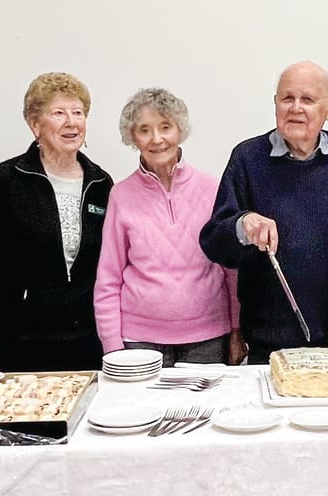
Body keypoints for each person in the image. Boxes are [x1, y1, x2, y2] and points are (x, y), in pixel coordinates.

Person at [200, 61, 328, 364]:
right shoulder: (247, 157)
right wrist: (243, 224)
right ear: (275, 103)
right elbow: (214, 241)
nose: (296, 108)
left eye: (307, 100)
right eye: (287, 98)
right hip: (264, 342)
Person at [0, 73, 112, 373]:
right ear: (35, 124)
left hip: (88, 342)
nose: (71, 122)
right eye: (59, 113)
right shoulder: (5, 180)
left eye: (78, 112)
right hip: (23, 341)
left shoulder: (101, 183)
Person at [94, 88, 240, 366]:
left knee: (204, 411)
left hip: (207, 338)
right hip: (138, 341)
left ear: (180, 130)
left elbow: (231, 270)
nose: (157, 139)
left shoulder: (211, 188)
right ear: (132, 137)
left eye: (165, 127)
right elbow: (108, 279)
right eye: (144, 130)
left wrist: (236, 329)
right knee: (145, 411)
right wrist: (112, 348)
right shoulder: (121, 195)